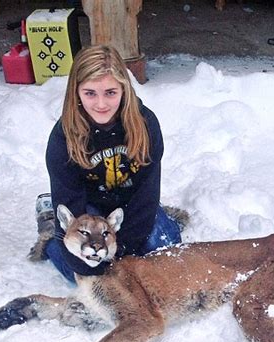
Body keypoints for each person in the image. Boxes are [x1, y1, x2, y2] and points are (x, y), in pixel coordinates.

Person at [29, 45, 186, 283]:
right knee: (87, 275)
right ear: (76, 92)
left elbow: (147, 192)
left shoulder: (146, 125)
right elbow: (71, 202)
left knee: (164, 251)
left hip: (129, 204)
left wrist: (121, 251)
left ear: (124, 89)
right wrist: (89, 262)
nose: (101, 104)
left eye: (110, 92)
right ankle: (51, 235)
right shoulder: (63, 137)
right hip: (87, 210)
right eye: (90, 93)